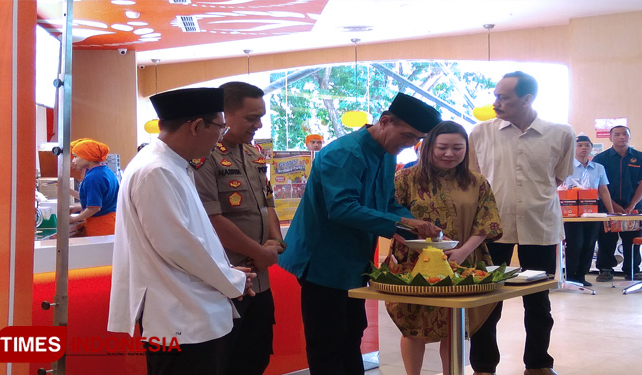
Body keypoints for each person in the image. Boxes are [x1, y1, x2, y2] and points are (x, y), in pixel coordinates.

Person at [279, 92, 443, 375]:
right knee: (328, 342)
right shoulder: (344, 153)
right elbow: (342, 208)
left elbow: (388, 203)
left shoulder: (387, 156)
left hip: (354, 262)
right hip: (322, 262)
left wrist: (417, 226)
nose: (409, 145)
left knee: (352, 334)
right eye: (407, 136)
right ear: (385, 121)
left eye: (417, 139)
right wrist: (399, 226)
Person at [107, 87, 256, 375]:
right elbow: (178, 246)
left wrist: (230, 274)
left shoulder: (172, 165)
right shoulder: (156, 170)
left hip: (191, 311)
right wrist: (232, 279)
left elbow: (189, 237)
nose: (221, 136)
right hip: (180, 317)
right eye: (219, 126)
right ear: (196, 126)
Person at [468, 71, 575, 375]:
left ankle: (538, 364)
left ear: (527, 99)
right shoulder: (480, 133)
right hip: (490, 229)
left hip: (540, 225)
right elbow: (476, 182)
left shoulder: (561, 133)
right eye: (496, 95)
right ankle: (484, 366)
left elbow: (556, 178)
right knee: (486, 301)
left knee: (538, 301)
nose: (496, 102)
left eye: (504, 97)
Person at [384, 121, 502, 375]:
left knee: (454, 327)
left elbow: (486, 223)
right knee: (413, 328)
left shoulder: (477, 182)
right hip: (413, 264)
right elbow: (390, 218)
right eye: (443, 147)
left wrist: (461, 252)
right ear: (428, 148)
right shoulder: (405, 178)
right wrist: (418, 247)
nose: (450, 154)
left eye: (458, 148)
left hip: (462, 263)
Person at [192, 81, 283, 375]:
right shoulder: (204, 157)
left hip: (261, 280)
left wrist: (274, 243)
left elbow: (267, 203)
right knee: (225, 362)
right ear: (224, 115)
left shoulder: (254, 154)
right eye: (251, 117)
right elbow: (211, 219)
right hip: (228, 282)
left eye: (261, 117)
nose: (258, 124)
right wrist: (259, 252)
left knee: (256, 357)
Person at [592, 125, 642, 282]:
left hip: (634, 208)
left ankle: (632, 269)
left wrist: (631, 205)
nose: (621, 137)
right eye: (617, 134)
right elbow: (598, 186)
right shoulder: (600, 159)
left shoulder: (639, 157)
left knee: (632, 240)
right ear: (610, 137)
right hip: (607, 208)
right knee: (606, 240)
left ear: (629, 136)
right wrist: (612, 206)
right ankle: (606, 269)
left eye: (625, 134)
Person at [563, 135, 614, 286]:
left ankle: (581, 275)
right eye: (579, 145)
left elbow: (603, 190)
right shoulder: (566, 167)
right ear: (573, 148)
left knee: (590, 243)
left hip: (592, 211)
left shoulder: (598, 168)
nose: (583, 148)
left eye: (587, 145)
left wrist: (610, 212)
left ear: (591, 148)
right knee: (576, 243)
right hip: (572, 212)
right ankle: (571, 275)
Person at [68, 138, 119, 236]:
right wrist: (77, 205)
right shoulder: (104, 171)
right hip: (111, 221)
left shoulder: (93, 178)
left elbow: (94, 208)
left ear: (87, 157)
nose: (73, 161)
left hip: (101, 226)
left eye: (75, 157)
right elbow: (94, 198)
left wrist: (74, 219)